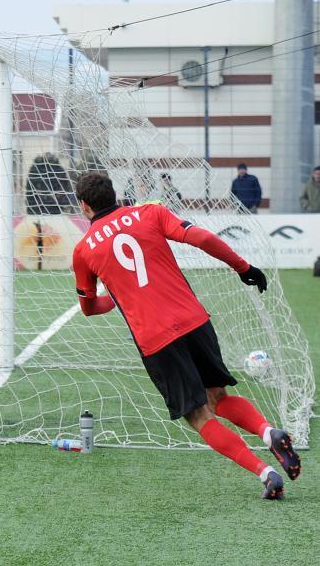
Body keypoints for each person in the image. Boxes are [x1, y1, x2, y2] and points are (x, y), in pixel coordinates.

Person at [71, 172, 300, 500]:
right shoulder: (150, 212)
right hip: (194, 320)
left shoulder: (83, 250)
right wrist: (243, 267)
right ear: (114, 195)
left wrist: (119, 297)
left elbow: (89, 308)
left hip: (156, 338)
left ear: (84, 205)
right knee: (217, 396)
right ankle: (268, 431)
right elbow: (202, 239)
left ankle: (266, 473)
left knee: (198, 415)